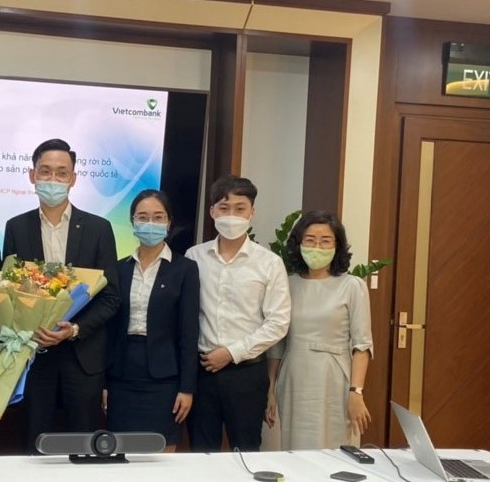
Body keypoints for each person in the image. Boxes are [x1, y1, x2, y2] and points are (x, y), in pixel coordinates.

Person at [3, 138, 120, 452]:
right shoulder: (16, 227)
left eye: (61, 172)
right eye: (45, 171)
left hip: (83, 357)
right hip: (35, 355)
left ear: (73, 178)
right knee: (34, 444)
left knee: (84, 445)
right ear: (32, 175)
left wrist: (75, 329)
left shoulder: (98, 228)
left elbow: (111, 298)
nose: (52, 179)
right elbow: (10, 292)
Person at [185, 175, 290, 452]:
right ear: (212, 212)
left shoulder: (269, 263)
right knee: (201, 452)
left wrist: (231, 353)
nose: (231, 215)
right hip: (202, 371)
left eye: (240, 208)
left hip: (246, 374)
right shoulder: (194, 257)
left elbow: (278, 322)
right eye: (224, 207)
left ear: (252, 212)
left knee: (246, 452)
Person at [265, 210, 373, 449]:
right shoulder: (286, 284)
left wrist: (356, 391)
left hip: (333, 377)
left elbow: (362, 345)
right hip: (293, 376)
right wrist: (270, 389)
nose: (317, 247)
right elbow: (277, 345)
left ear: (337, 245)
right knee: (294, 447)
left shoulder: (352, 286)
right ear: (299, 244)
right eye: (310, 240)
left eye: (325, 241)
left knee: (333, 447)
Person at [104, 190, 199, 452]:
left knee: (162, 454)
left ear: (169, 223)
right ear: (132, 222)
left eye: (158, 217)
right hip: (121, 375)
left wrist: (187, 388)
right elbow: (109, 330)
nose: (150, 223)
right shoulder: (119, 268)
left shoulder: (185, 269)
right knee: (119, 452)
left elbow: (189, 333)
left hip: (164, 378)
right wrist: (104, 383)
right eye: (143, 217)